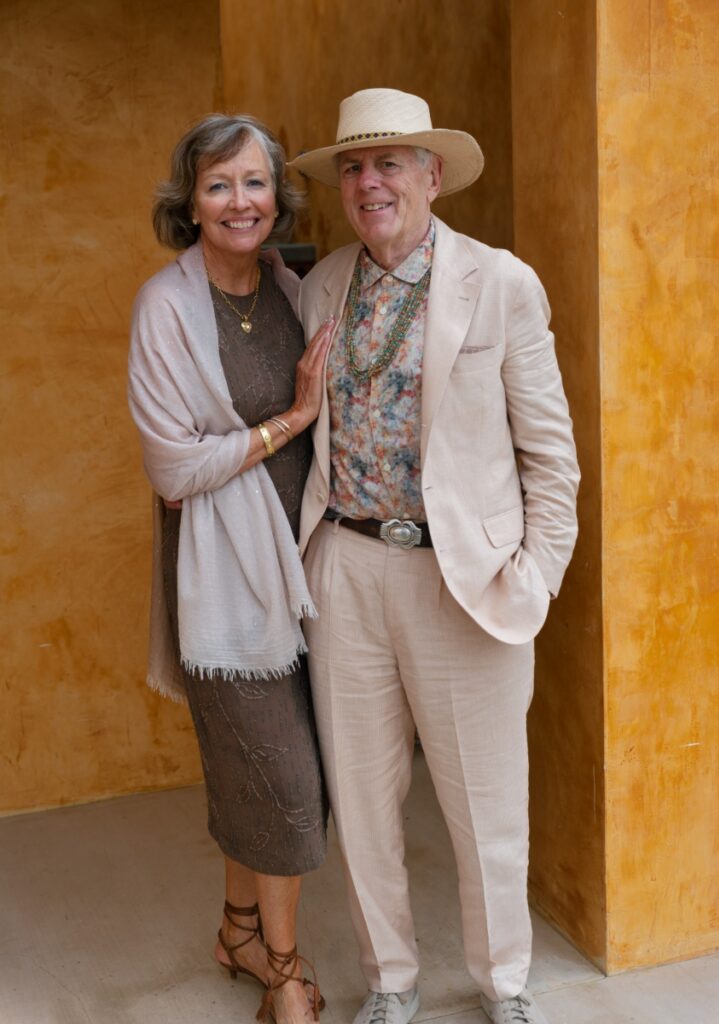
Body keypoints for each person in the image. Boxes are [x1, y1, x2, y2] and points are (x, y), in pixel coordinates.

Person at [289, 89, 580, 1024]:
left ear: (432, 175)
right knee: (366, 802)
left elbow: (551, 452)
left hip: (467, 580)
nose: (370, 182)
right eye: (354, 167)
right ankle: (391, 982)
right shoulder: (325, 282)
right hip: (347, 566)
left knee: (486, 804)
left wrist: (534, 577)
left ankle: (503, 983)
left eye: (391, 163)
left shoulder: (499, 281)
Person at [128, 114, 334, 1024]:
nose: (240, 202)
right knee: (286, 782)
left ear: (277, 195)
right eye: (218, 185)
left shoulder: (292, 285)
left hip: (308, 564)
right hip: (222, 581)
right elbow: (173, 470)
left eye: (254, 183)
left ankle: (239, 928)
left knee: (263, 768)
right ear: (190, 201)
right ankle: (284, 970)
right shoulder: (164, 307)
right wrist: (290, 420)